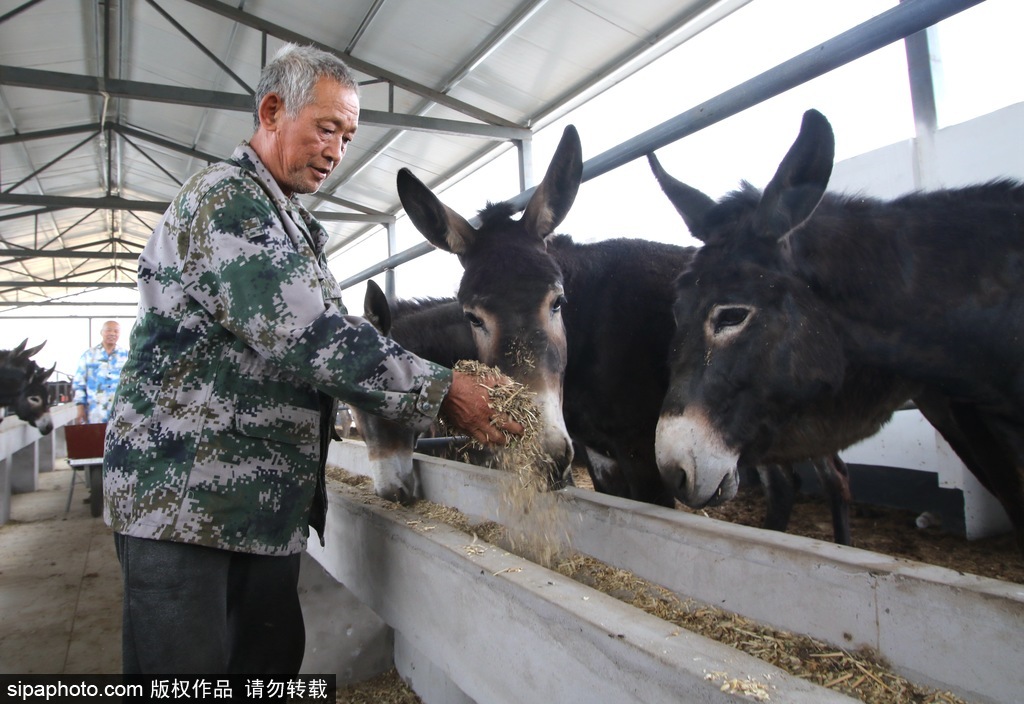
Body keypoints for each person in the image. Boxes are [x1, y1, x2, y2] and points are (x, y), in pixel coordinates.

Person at [103, 43, 522, 675]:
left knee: (269, 665)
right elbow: (309, 335)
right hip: (182, 505)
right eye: (326, 128)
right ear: (272, 111)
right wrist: (441, 390)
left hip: (257, 507)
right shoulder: (228, 202)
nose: (336, 151)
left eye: (348, 137)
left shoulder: (288, 222)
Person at [72, 320, 128, 424]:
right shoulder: (88, 355)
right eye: (108, 330)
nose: (112, 334)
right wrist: (80, 408)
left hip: (120, 412)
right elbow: (79, 384)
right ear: (101, 332)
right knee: (94, 440)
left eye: (116, 331)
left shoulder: (126, 356)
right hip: (94, 413)